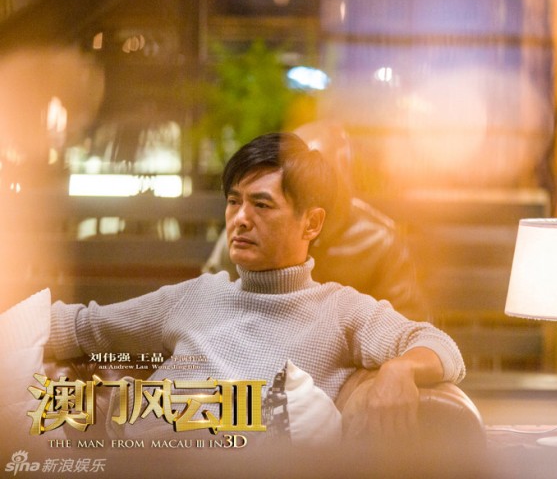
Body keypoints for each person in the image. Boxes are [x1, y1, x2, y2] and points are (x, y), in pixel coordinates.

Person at [0, 132, 465, 446]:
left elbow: (438, 345)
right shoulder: (193, 297)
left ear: (311, 223)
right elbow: (75, 326)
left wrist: (399, 370)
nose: (240, 219)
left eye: (262, 205)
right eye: (234, 202)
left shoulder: (339, 310)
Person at [203, 121, 426, 320]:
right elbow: (209, 298)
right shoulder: (249, 230)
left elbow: (408, 324)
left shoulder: (379, 241)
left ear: (343, 174)